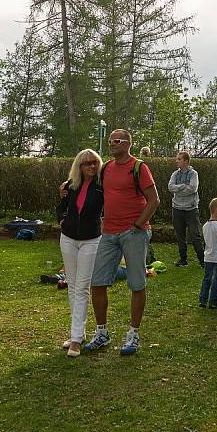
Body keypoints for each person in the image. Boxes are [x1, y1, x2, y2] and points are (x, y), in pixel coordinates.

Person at [84, 129, 159, 356]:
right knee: (97, 282)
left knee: (137, 284)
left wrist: (138, 225)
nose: (111, 144)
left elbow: (154, 200)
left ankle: (133, 334)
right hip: (108, 233)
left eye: (116, 141)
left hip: (133, 233)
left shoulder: (139, 167)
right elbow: (85, 182)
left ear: (128, 144)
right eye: (110, 141)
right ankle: (102, 333)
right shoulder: (105, 168)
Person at [57, 149, 103, 357]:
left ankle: (76, 339)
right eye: (87, 163)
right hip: (68, 238)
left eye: (94, 163)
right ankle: (79, 332)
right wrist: (62, 220)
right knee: (72, 286)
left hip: (91, 240)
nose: (91, 167)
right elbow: (61, 206)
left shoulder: (102, 187)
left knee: (83, 287)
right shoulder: (70, 186)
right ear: (79, 166)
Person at [168, 151, 204, 268]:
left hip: (191, 209)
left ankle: (202, 260)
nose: (176, 161)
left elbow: (193, 189)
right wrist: (183, 186)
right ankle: (183, 260)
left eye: (179, 159)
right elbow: (170, 187)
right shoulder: (174, 174)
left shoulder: (194, 174)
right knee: (180, 236)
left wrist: (178, 189)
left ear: (186, 161)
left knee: (195, 235)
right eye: (177, 159)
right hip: (177, 209)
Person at [199, 198, 217, 309]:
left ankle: (203, 300)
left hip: (208, 257)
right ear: (216, 211)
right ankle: (213, 301)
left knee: (207, 278)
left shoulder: (205, 226)